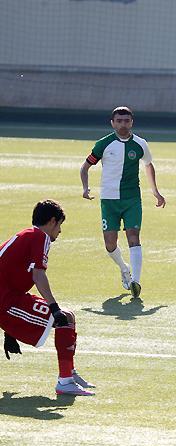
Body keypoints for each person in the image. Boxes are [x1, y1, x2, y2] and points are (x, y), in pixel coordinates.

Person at [0, 200, 95, 396]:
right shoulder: (40, 236)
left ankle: (69, 373)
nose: (60, 231)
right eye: (59, 225)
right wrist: (53, 307)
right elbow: (38, 275)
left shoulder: (27, 235)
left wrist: (10, 331)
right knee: (64, 317)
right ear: (52, 222)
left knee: (68, 317)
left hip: (10, 298)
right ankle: (65, 381)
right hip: (5, 301)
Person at [80, 106, 166, 298]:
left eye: (126, 121)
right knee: (110, 244)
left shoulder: (140, 144)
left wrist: (155, 192)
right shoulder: (103, 144)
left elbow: (148, 165)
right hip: (109, 201)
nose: (123, 124)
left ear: (131, 122)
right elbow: (84, 167)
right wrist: (85, 188)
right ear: (112, 123)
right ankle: (124, 268)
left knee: (133, 236)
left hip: (131, 199)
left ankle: (136, 281)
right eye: (119, 121)